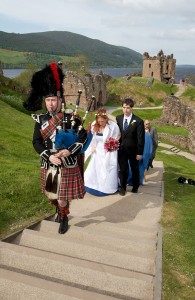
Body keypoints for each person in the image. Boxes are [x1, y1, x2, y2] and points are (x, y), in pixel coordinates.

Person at [23, 62, 87, 234]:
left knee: (62, 197)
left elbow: (83, 137)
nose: (50, 104)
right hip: (49, 162)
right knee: (53, 193)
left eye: (53, 100)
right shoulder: (40, 120)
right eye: (48, 100)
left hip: (67, 162)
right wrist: (48, 156)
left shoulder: (71, 117)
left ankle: (64, 217)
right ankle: (59, 211)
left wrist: (69, 151)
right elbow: (36, 142)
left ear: (60, 100)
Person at [84, 108, 120, 196]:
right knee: (95, 168)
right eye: (99, 121)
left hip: (107, 150)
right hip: (97, 150)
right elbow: (91, 137)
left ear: (106, 119)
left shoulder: (113, 126)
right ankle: (93, 185)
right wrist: (92, 146)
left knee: (107, 168)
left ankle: (107, 187)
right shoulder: (94, 125)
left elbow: (118, 135)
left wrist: (113, 143)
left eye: (102, 121)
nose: (101, 123)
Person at [116, 98, 145, 195]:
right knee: (123, 169)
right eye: (124, 107)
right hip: (121, 149)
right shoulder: (118, 118)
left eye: (128, 108)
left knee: (134, 168)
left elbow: (141, 138)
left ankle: (135, 186)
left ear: (131, 108)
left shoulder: (138, 121)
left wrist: (139, 153)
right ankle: (123, 188)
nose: (125, 110)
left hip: (134, 150)